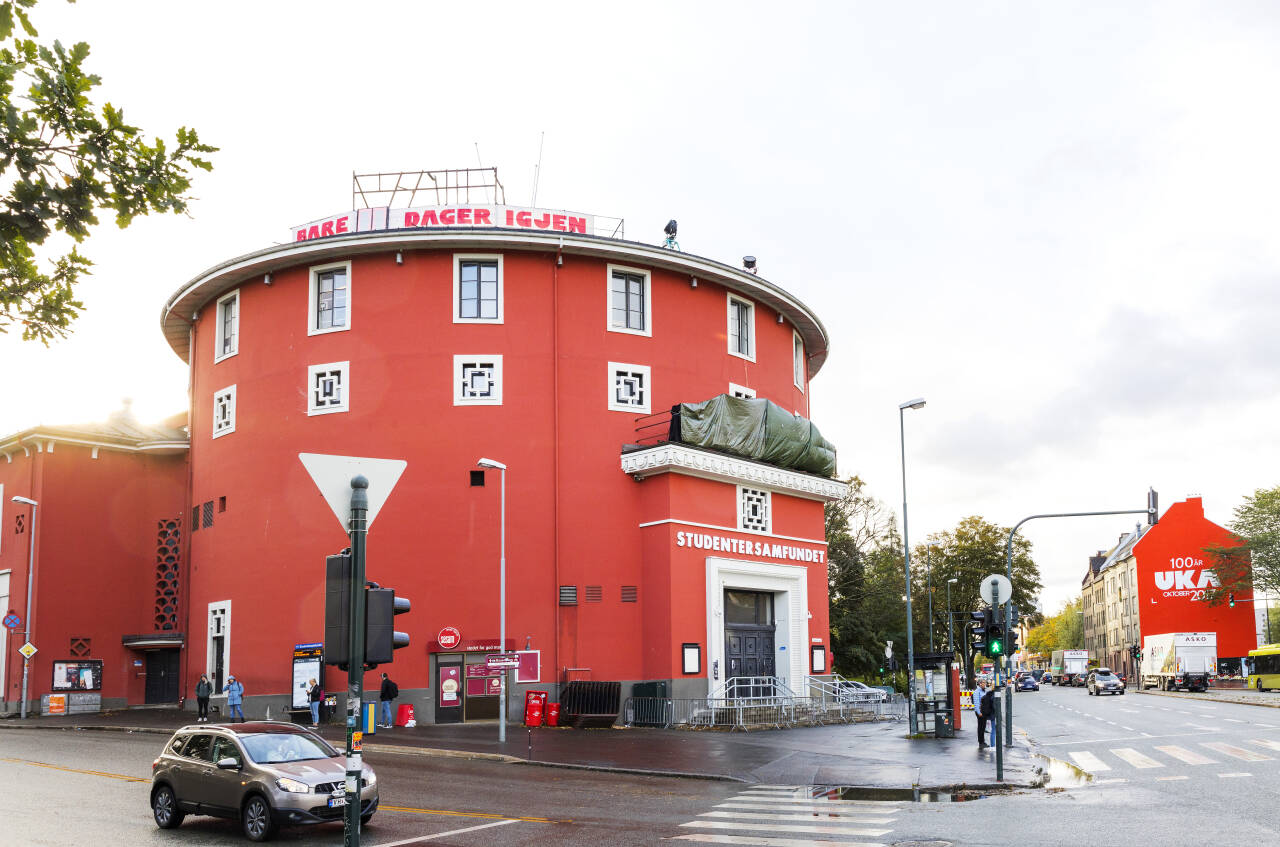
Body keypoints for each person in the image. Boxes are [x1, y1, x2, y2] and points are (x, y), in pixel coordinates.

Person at [979, 681, 996, 749]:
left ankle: (992, 745)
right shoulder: (995, 694)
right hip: (993, 715)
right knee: (994, 730)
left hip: (990, 714)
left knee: (993, 730)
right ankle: (992, 746)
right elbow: (995, 706)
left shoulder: (989, 693)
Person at [973, 679, 988, 748]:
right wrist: (979, 713)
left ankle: (982, 742)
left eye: (985, 683)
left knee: (983, 727)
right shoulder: (977, 692)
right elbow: (976, 703)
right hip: (980, 712)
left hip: (983, 712)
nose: (985, 684)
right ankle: (981, 743)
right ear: (980, 684)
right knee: (981, 727)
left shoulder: (983, 691)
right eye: (984, 683)